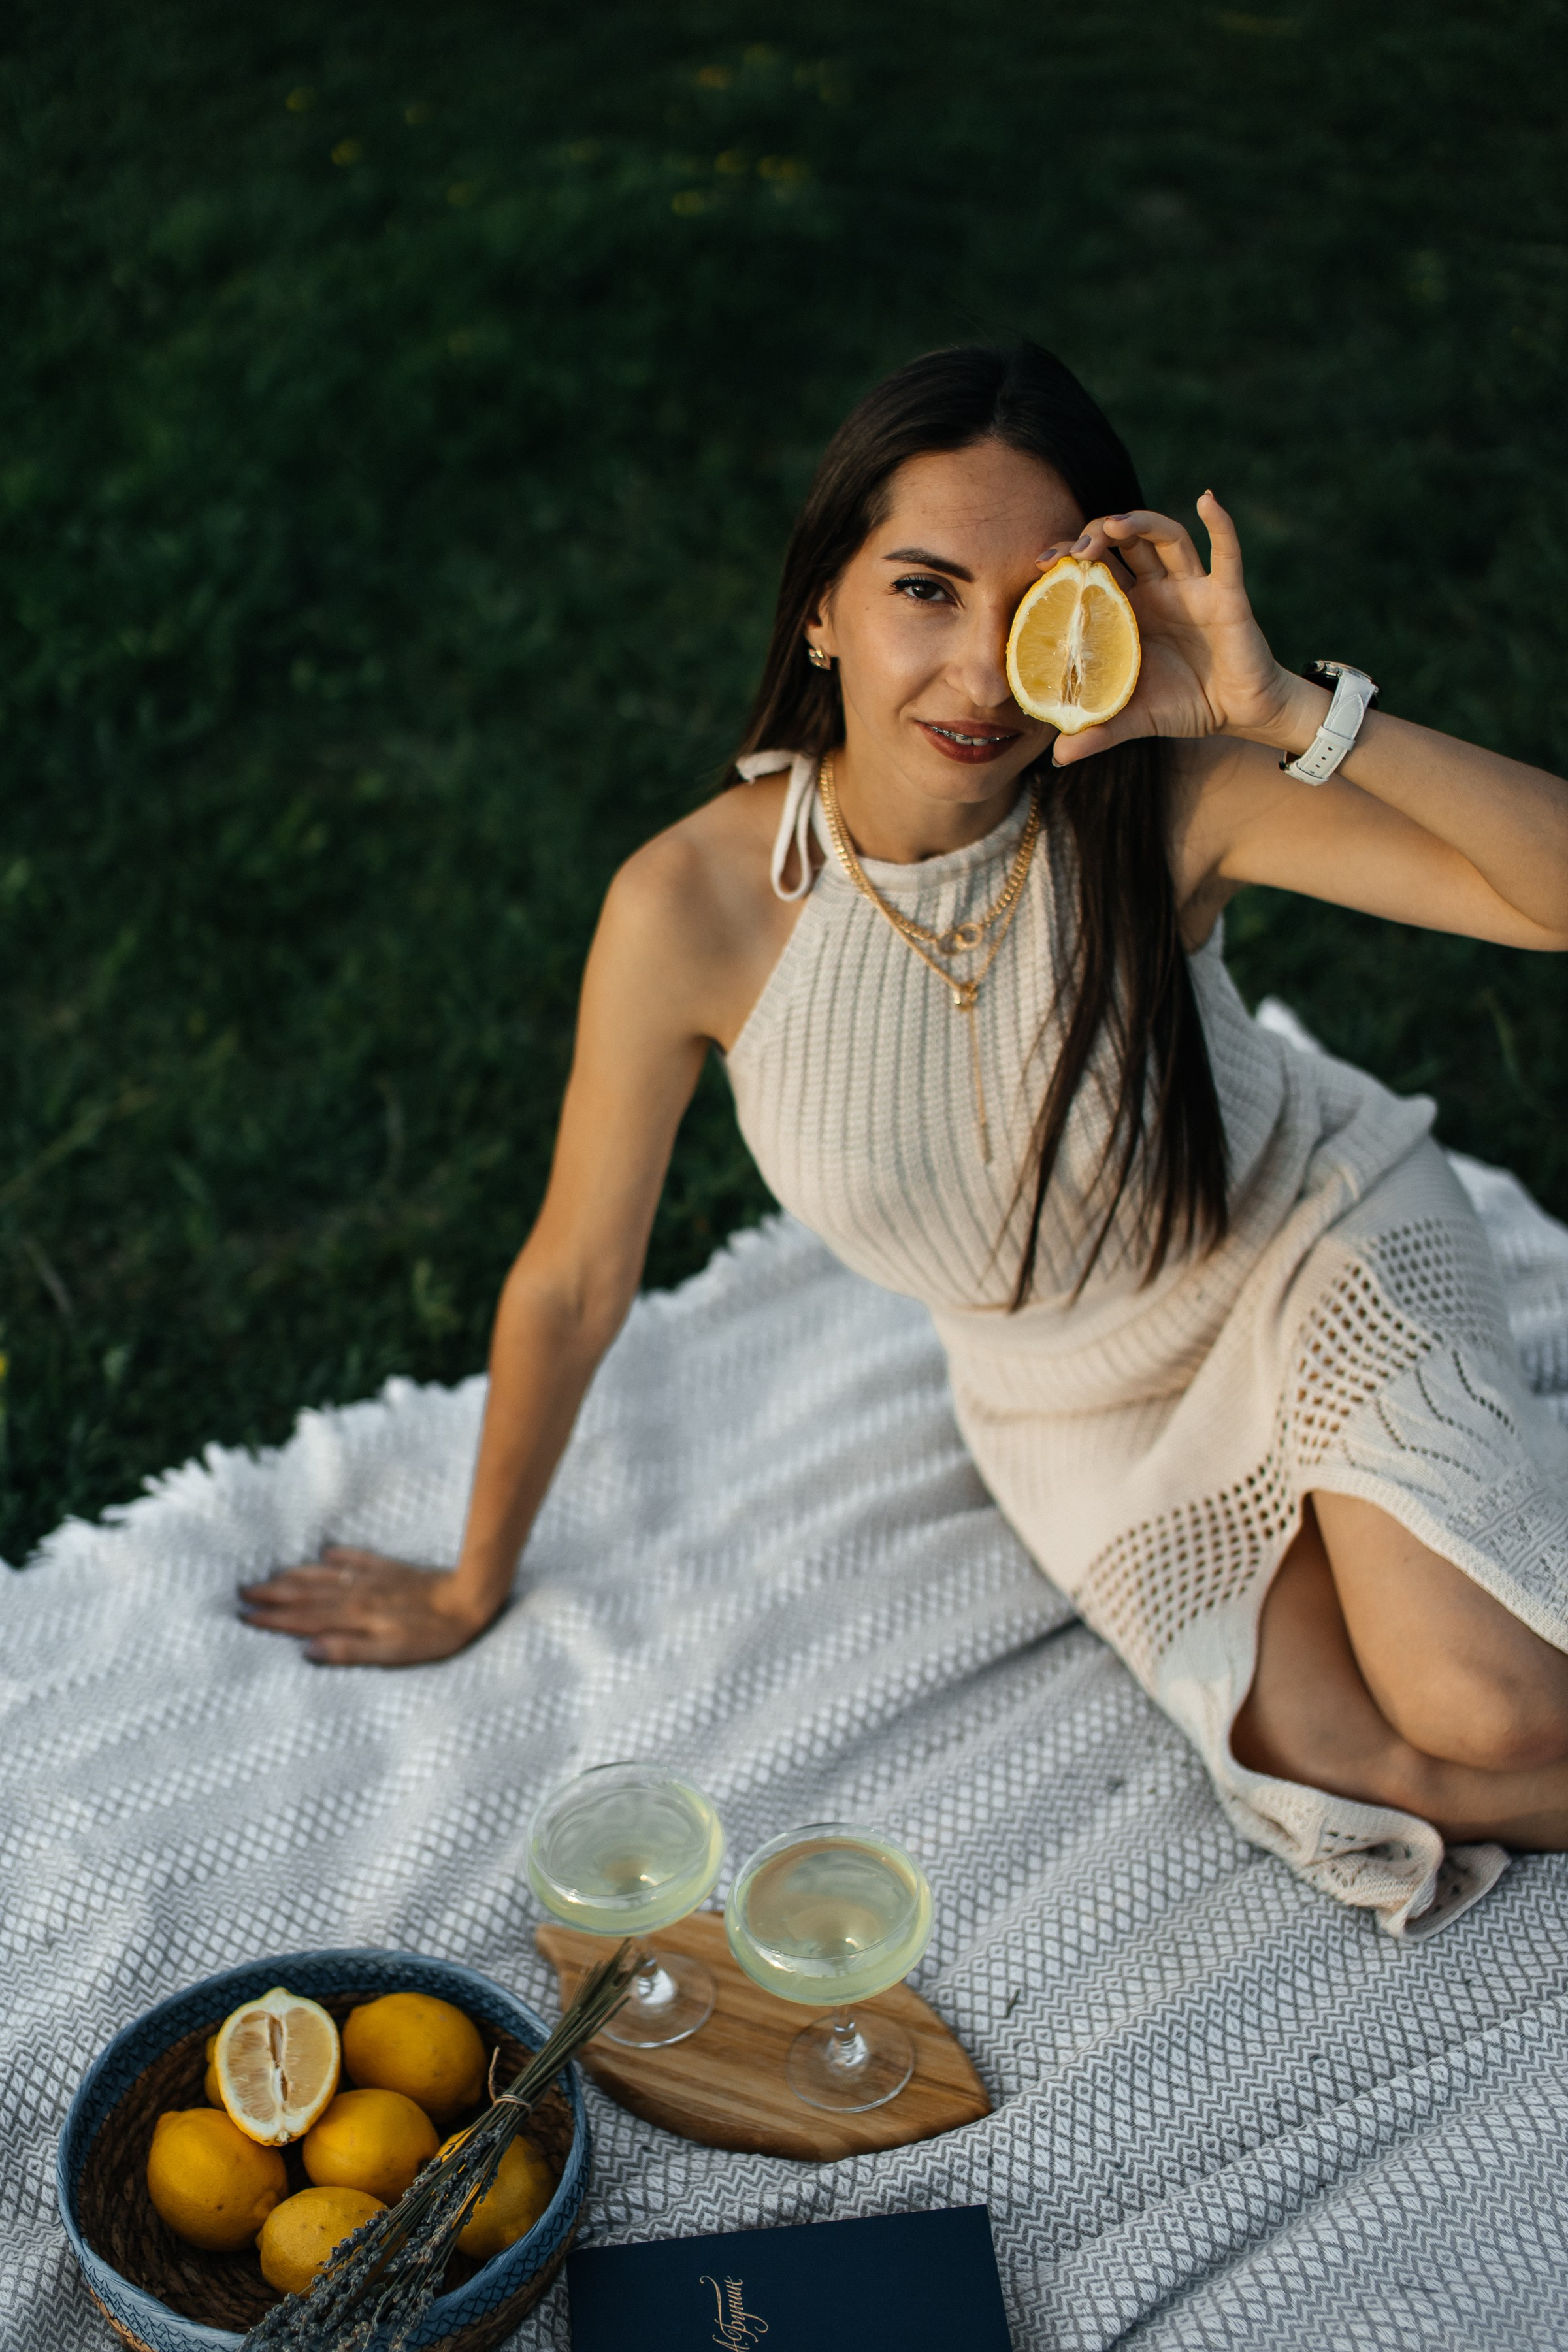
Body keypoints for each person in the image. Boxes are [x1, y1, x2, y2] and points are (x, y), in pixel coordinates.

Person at [240, 344, 1568, 1932]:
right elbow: (577, 1278)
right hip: (1068, 1407)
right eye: (925, 592)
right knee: (1354, 1762)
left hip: (1303, 1242)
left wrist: (1281, 711)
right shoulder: (692, 906)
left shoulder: (1160, 801)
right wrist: (473, 1581)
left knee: (1487, 1711)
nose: (984, 677)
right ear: (823, 607)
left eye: (1035, 604)